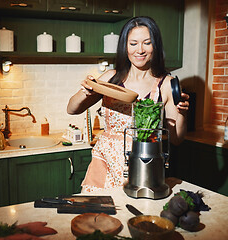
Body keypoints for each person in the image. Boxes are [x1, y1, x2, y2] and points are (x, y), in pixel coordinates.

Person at [67, 16, 190, 193]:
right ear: (125, 46)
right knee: (98, 219)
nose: (139, 50)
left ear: (155, 45)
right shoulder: (111, 78)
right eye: (133, 43)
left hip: (143, 165)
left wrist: (183, 114)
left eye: (147, 43)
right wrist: (85, 91)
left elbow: (177, 138)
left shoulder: (166, 84)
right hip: (104, 164)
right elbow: (72, 109)